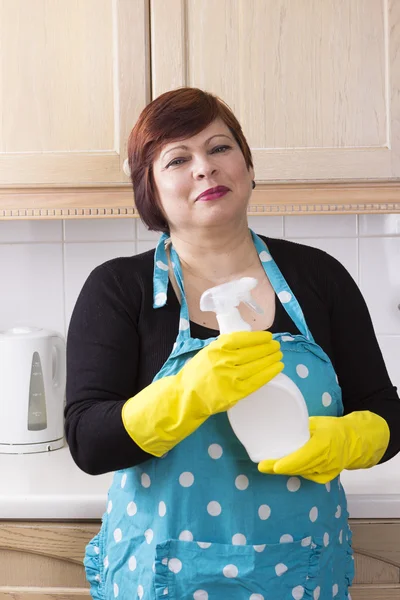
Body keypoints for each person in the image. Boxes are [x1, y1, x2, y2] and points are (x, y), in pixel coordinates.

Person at [65, 87, 400, 600]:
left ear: (246, 163)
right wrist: (187, 394)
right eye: (178, 158)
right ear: (150, 189)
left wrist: (346, 441)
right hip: (161, 578)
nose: (205, 168)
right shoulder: (119, 289)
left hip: (301, 572)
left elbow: (384, 410)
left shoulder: (319, 277)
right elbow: (88, 440)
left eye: (220, 148)